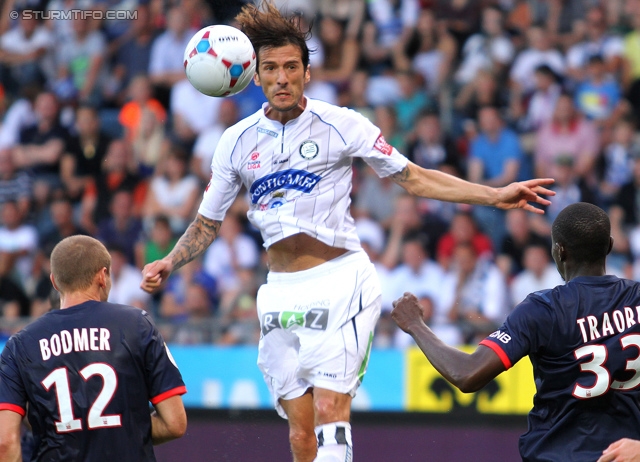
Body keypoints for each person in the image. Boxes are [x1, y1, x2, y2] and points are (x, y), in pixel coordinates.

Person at [140, 3, 554, 461]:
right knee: (301, 438)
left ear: (307, 74)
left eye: (292, 68)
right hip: (279, 292)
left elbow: (412, 176)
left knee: (332, 411)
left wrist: (495, 196)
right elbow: (206, 223)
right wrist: (169, 262)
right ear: (253, 76)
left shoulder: (342, 124)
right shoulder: (235, 142)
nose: (282, 78)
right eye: (272, 68)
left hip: (341, 281)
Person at [392, 202, 640, 462]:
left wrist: (415, 325)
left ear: (559, 250)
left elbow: (467, 373)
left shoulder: (543, 309)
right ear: (609, 246)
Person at [0, 235, 187, 461]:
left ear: (54, 282)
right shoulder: (138, 324)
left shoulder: (19, 345)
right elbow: (175, 424)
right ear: (102, 276)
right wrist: (120, 427)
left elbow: (6, 442)